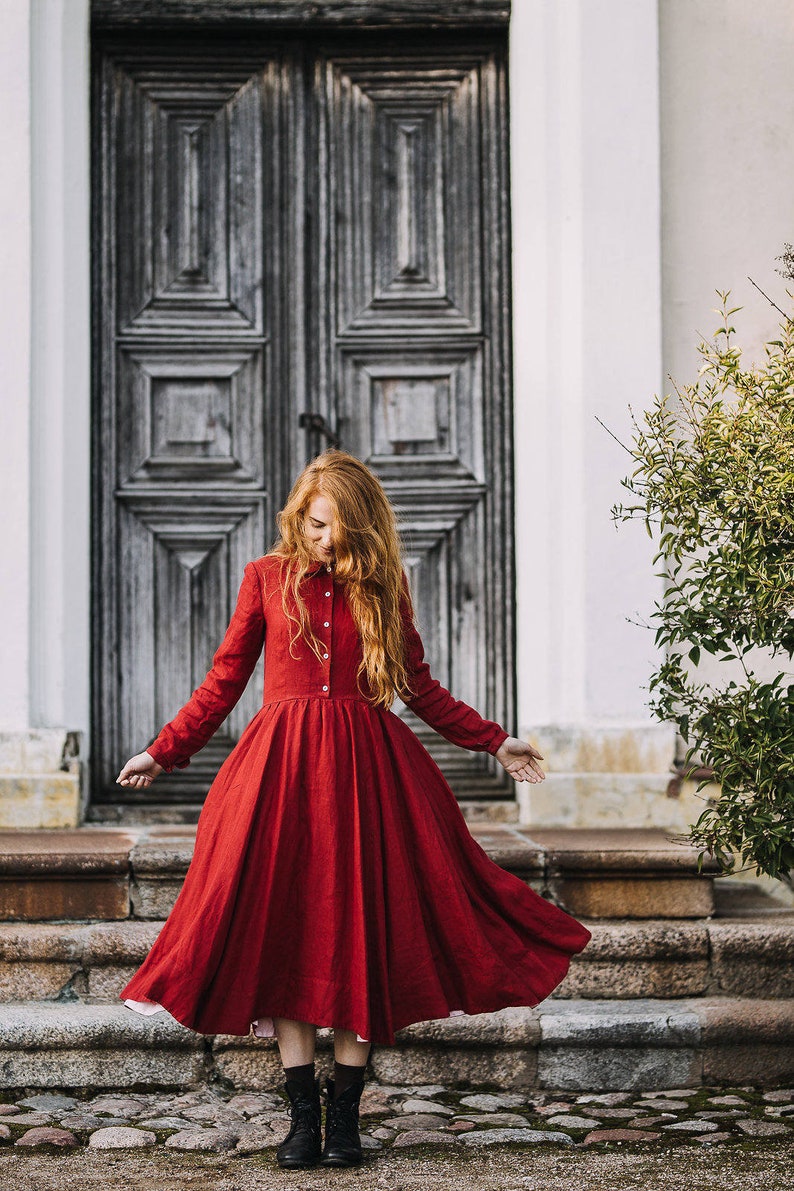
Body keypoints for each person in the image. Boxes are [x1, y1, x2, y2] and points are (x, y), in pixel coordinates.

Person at [117, 449, 592, 1170]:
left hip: (369, 778)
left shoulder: (384, 585)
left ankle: (346, 1118)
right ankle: (301, 1118)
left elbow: (420, 688)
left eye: (336, 527)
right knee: (289, 936)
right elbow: (222, 683)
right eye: (313, 525)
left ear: (361, 524)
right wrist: (165, 749)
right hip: (279, 778)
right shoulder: (265, 579)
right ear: (296, 517)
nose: (324, 540)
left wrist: (497, 740)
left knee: (364, 930)